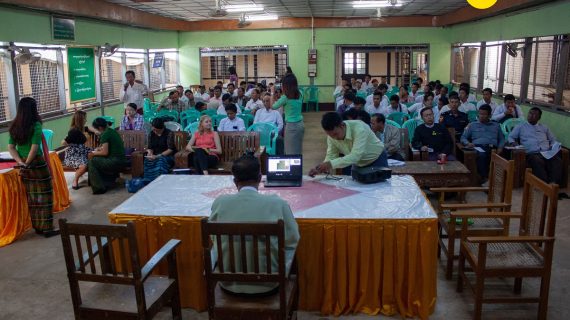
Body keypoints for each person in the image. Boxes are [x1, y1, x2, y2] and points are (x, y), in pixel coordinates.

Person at [209, 154, 300, 295]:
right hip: (269, 285)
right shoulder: (278, 204)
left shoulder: (220, 203)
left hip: (229, 284)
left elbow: (214, 238)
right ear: (259, 178)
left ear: (234, 181)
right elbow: (292, 239)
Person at [8, 97, 58, 237]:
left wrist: (21, 162)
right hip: (36, 163)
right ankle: (47, 228)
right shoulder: (35, 125)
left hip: (24, 163)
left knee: (33, 197)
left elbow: (11, 147)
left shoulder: (14, 126)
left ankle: (38, 227)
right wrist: (28, 163)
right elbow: (34, 148)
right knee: (46, 194)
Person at [309, 112, 387, 177]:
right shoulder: (332, 136)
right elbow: (331, 155)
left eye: (336, 134)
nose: (334, 138)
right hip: (358, 163)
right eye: (330, 135)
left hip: (377, 159)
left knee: (379, 192)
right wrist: (321, 168)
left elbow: (355, 156)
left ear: (342, 125)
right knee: (357, 191)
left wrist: (329, 164)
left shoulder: (360, 128)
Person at [508, 107, 562, 185]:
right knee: (537, 161)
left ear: (539, 117)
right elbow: (511, 137)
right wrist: (514, 144)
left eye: (534, 114)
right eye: (530, 113)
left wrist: (552, 146)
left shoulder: (544, 127)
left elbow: (553, 139)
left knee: (557, 160)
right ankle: (544, 183)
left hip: (546, 152)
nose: (531, 115)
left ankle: (553, 183)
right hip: (532, 153)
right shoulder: (521, 126)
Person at [461, 104, 505, 182]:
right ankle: (484, 179)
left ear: (489, 115)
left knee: (504, 155)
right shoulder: (472, 125)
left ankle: (501, 179)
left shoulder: (496, 125)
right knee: (482, 155)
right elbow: (463, 137)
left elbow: (502, 138)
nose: (481, 116)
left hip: (493, 148)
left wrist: (500, 147)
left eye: (484, 114)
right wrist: (468, 143)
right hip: (479, 147)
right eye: (480, 114)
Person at [88, 117, 126, 194]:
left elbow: (104, 152)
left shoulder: (105, 134)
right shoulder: (111, 131)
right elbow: (105, 148)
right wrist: (98, 150)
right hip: (121, 160)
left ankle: (98, 188)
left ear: (100, 128)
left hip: (115, 161)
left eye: (96, 129)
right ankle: (106, 180)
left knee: (92, 161)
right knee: (95, 158)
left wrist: (93, 153)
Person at [272, 73, 304, 155]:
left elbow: (273, 106)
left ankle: (293, 167)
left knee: (290, 152)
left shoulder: (285, 97)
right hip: (300, 125)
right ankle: (298, 167)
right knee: (297, 150)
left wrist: (272, 93)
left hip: (291, 126)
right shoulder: (300, 93)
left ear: (286, 86)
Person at [62, 112, 92, 190]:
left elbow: (88, 128)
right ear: (80, 120)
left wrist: (95, 131)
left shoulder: (80, 128)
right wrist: (70, 145)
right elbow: (64, 142)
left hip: (81, 151)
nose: (86, 120)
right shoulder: (74, 131)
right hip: (74, 154)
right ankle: (75, 181)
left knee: (95, 154)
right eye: (84, 118)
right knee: (84, 166)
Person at [144, 117, 176, 182]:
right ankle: (149, 179)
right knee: (147, 160)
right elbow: (150, 147)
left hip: (167, 156)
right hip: (155, 155)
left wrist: (157, 156)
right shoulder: (151, 134)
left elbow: (170, 149)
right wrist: (150, 153)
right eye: (154, 130)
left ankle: (160, 180)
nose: (155, 132)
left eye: (157, 130)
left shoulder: (169, 133)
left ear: (162, 128)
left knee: (160, 160)